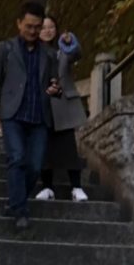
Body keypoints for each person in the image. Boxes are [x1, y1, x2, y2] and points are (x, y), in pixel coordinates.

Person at [0, 1, 60, 230]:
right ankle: (20, 211)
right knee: (16, 158)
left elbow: (55, 84)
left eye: (37, 27)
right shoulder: (5, 49)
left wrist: (55, 90)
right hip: (13, 115)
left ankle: (15, 201)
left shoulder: (49, 54)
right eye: (29, 26)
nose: (33, 31)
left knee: (35, 167)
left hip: (39, 117)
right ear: (19, 24)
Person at [36, 15, 88, 202]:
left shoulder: (62, 51)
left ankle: (77, 187)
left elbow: (77, 53)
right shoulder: (34, 52)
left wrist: (70, 40)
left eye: (51, 27)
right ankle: (48, 187)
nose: (47, 30)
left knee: (68, 147)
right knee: (44, 148)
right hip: (43, 105)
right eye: (43, 27)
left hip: (62, 105)